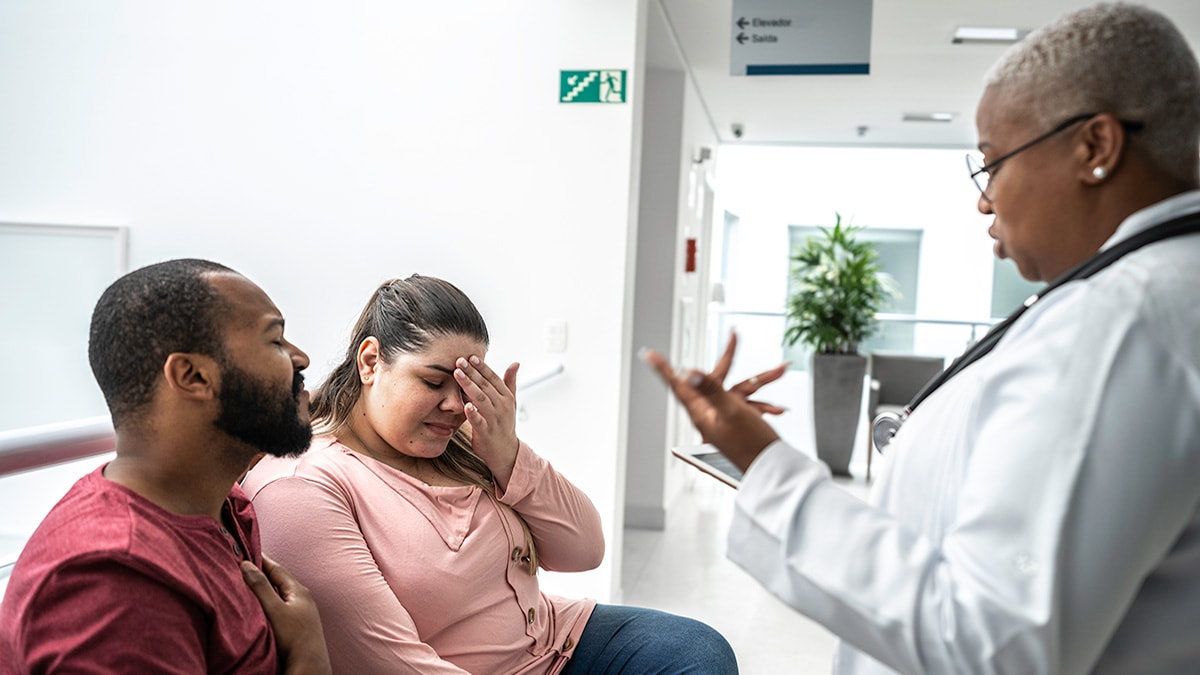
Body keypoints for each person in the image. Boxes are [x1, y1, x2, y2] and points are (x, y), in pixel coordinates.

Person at [643, 3, 1200, 674]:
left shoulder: (1116, 323)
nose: (984, 200)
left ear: (1094, 147)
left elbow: (991, 645)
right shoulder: (1153, 295)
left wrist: (766, 467)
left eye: (993, 162)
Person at [241, 274, 738, 674]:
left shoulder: (458, 446)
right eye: (435, 381)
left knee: (701, 651)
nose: (456, 406)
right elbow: (389, 663)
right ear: (371, 361)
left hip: (554, 641)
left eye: (468, 384)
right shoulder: (301, 485)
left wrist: (509, 454)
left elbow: (585, 550)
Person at [0, 259, 332, 674]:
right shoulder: (112, 579)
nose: (300, 358)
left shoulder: (227, 505)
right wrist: (308, 656)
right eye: (276, 341)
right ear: (192, 376)